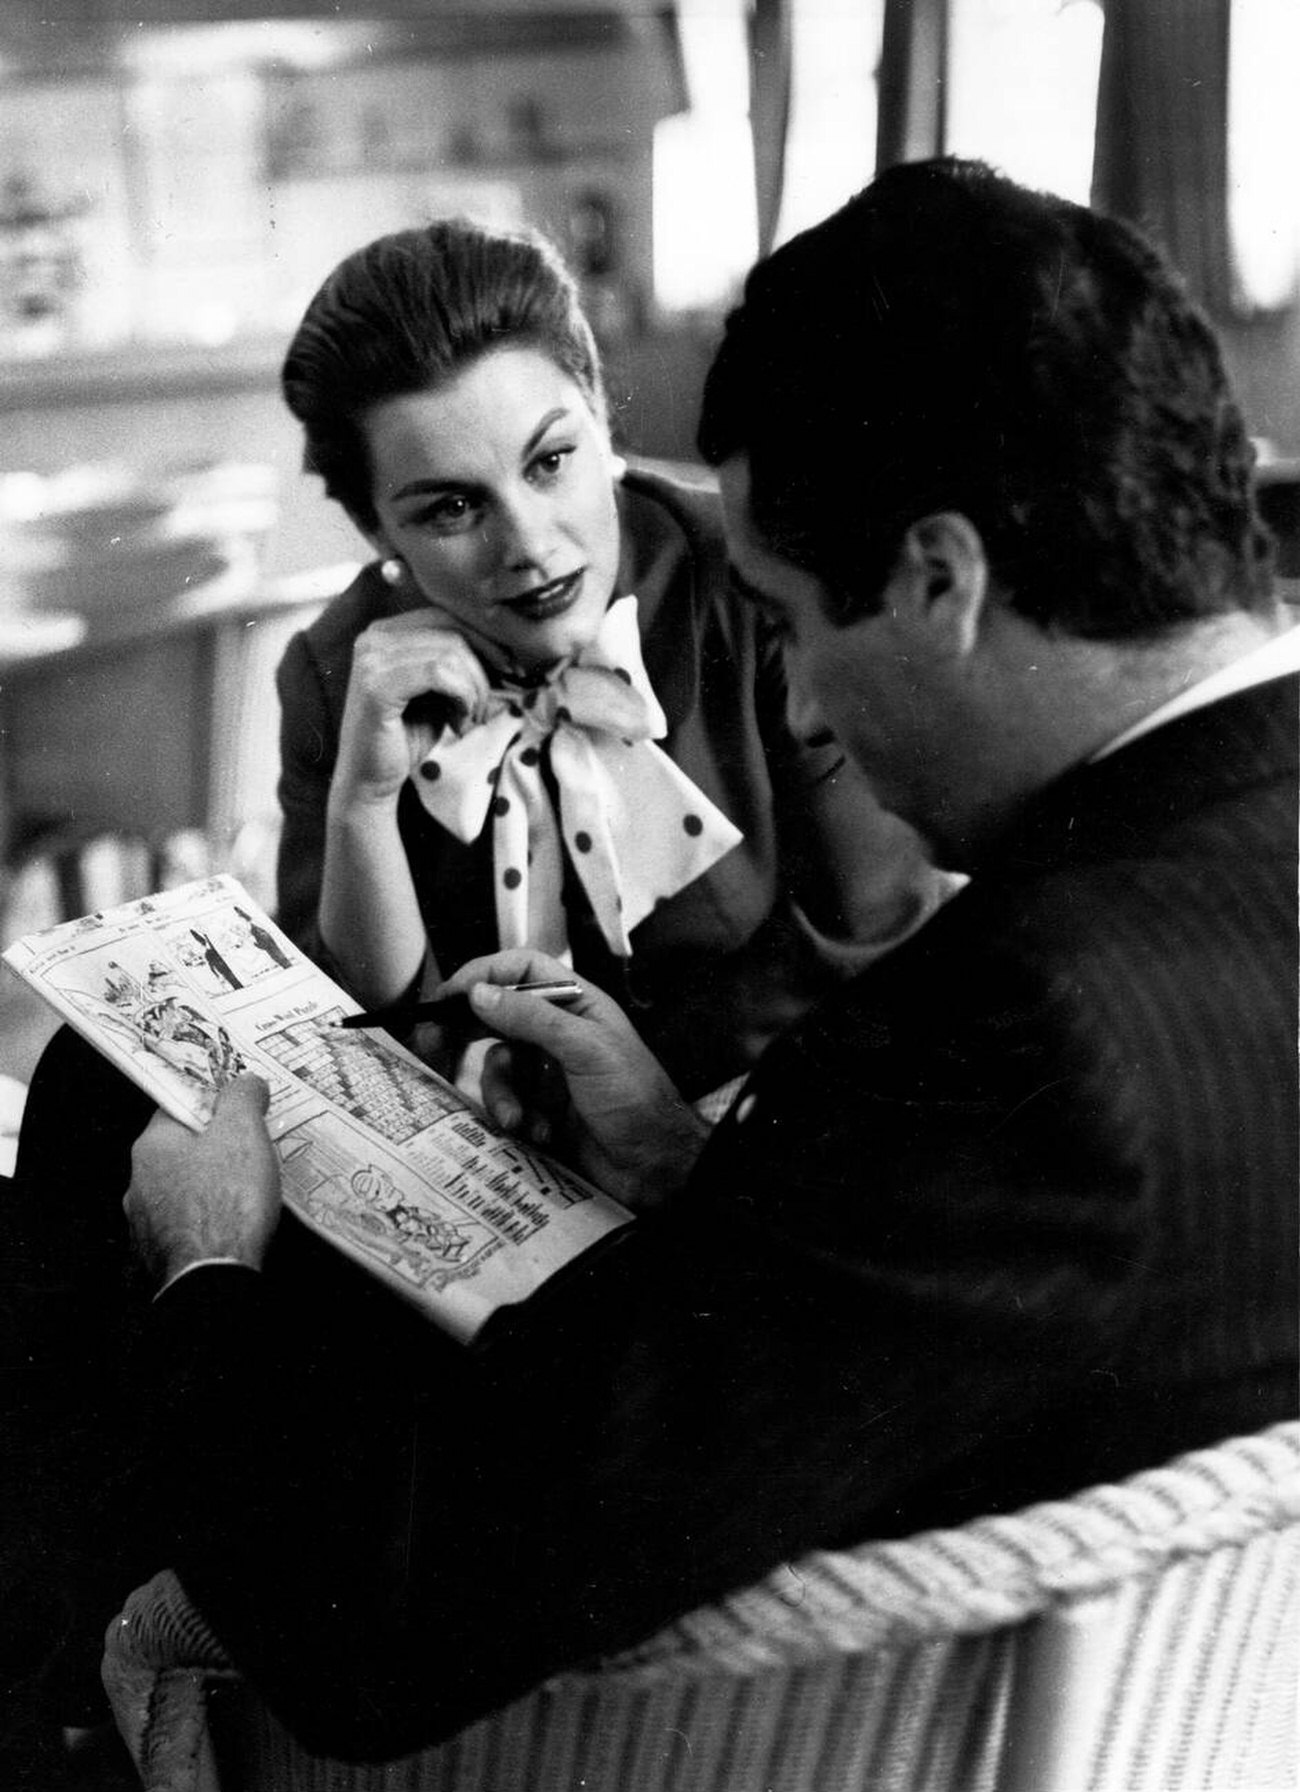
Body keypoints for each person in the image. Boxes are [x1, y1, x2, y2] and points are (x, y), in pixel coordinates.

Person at [12, 159, 1299, 1763]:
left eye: (798, 624)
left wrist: (209, 1268)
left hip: (724, 1729)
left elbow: (381, 1615)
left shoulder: (1032, 1032)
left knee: (83, 1149)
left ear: (941, 580)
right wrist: (697, 1171)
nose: (810, 713)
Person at [272, 217, 941, 1097]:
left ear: (600, 418)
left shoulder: (756, 578)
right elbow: (351, 1034)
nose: (529, 544)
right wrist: (363, 802)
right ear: (375, 530)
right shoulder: (334, 672)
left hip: (779, 1117)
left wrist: (608, 1089)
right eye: (450, 509)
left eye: (550, 461)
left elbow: (876, 934)